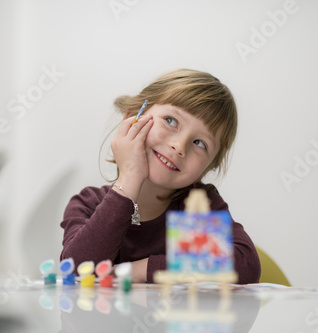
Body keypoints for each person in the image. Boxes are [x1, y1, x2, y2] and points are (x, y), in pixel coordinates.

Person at [60, 69, 260, 284]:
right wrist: (129, 179)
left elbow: (245, 265)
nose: (180, 146)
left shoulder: (194, 208)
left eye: (200, 143)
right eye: (171, 121)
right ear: (133, 118)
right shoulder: (89, 204)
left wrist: (136, 270)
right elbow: (78, 272)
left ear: (208, 167)